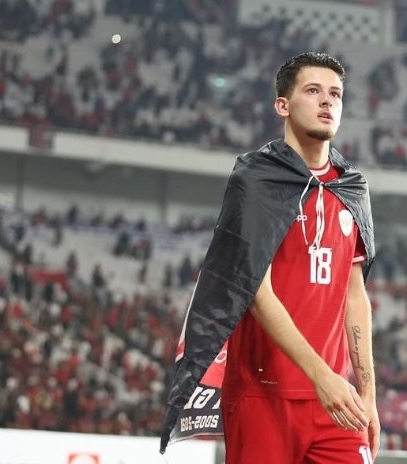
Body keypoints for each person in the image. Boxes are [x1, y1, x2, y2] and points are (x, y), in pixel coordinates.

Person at [161, 52, 379, 463]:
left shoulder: (352, 187)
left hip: (337, 403)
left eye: (335, 94)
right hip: (263, 395)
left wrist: (367, 395)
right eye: (313, 91)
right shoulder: (255, 179)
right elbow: (255, 292)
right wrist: (322, 378)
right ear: (283, 104)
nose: (327, 102)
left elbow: (356, 296)